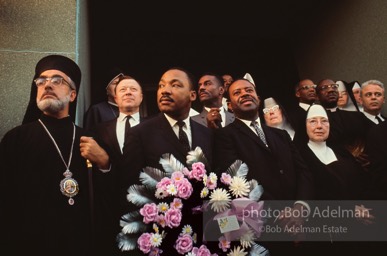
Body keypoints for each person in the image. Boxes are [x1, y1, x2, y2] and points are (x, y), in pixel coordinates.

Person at [0, 55, 110, 256]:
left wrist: (104, 163)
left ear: (73, 95)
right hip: (28, 244)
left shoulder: (90, 139)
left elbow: (109, 196)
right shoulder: (15, 139)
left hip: (80, 244)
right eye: (41, 81)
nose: (47, 86)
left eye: (57, 80)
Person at [118, 67, 214, 254]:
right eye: (161, 85)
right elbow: (128, 187)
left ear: (192, 95)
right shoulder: (140, 133)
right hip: (159, 239)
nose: (164, 90)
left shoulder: (207, 134)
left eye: (175, 85)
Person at [213, 78, 314, 255]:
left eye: (249, 90)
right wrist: (284, 216)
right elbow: (238, 181)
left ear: (258, 98)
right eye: (237, 93)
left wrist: (299, 210)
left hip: (302, 224)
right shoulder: (224, 136)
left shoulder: (281, 134)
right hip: (264, 230)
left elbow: (303, 171)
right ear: (229, 106)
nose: (244, 94)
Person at [297, 104, 377, 256]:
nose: (320, 126)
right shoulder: (300, 157)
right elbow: (312, 195)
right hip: (332, 233)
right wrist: (350, 211)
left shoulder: (341, 151)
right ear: (304, 125)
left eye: (324, 121)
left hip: (363, 226)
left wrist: (365, 208)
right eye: (313, 121)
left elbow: (364, 181)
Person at [92, 74, 144, 254]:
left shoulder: (154, 127)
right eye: (123, 89)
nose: (128, 92)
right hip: (110, 206)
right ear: (115, 97)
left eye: (133, 89)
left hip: (146, 208)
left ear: (141, 96)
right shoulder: (100, 129)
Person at [312, 78, 371, 164]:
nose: (331, 90)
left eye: (334, 87)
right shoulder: (314, 122)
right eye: (324, 88)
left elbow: (373, 135)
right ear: (317, 96)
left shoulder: (357, 116)